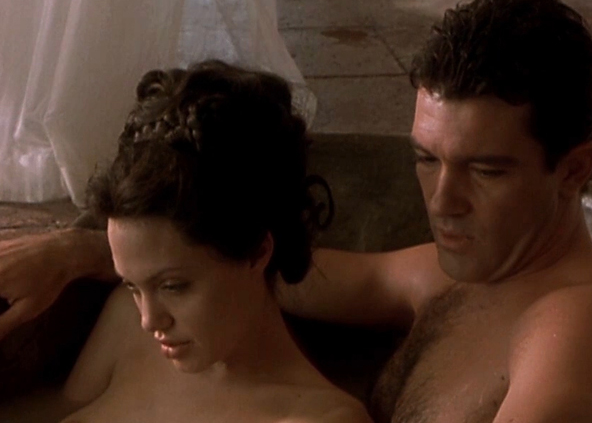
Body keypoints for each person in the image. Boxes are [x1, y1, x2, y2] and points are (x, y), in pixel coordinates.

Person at [0, 0, 592, 423]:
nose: (443, 200)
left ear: (575, 169)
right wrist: (80, 252)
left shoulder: (579, 331)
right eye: (427, 158)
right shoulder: (456, 274)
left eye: (486, 171)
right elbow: (259, 268)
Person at [0, 60, 372, 423]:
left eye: (173, 286)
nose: (149, 320)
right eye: (132, 285)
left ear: (256, 252)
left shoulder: (320, 417)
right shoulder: (126, 323)